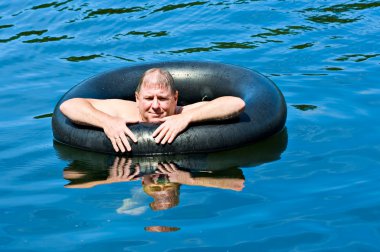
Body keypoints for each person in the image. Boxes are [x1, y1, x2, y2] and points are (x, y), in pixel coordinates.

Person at [60, 68, 245, 152]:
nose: (155, 106)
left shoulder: (183, 112)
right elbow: (68, 106)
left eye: (163, 99)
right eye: (149, 98)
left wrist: (187, 118)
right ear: (137, 98)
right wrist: (106, 121)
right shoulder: (123, 110)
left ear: (175, 98)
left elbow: (236, 104)